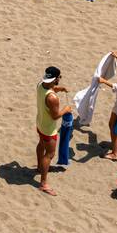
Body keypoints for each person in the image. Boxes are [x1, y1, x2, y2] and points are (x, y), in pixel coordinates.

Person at [36, 66, 74, 196]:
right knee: (50, 154)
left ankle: (39, 167)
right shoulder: (53, 98)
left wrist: (60, 88)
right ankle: (43, 183)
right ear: (56, 78)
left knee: (41, 145)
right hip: (49, 129)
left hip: (40, 123)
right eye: (59, 78)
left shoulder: (40, 85)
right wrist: (66, 109)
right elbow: (55, 116)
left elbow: (50, 88)